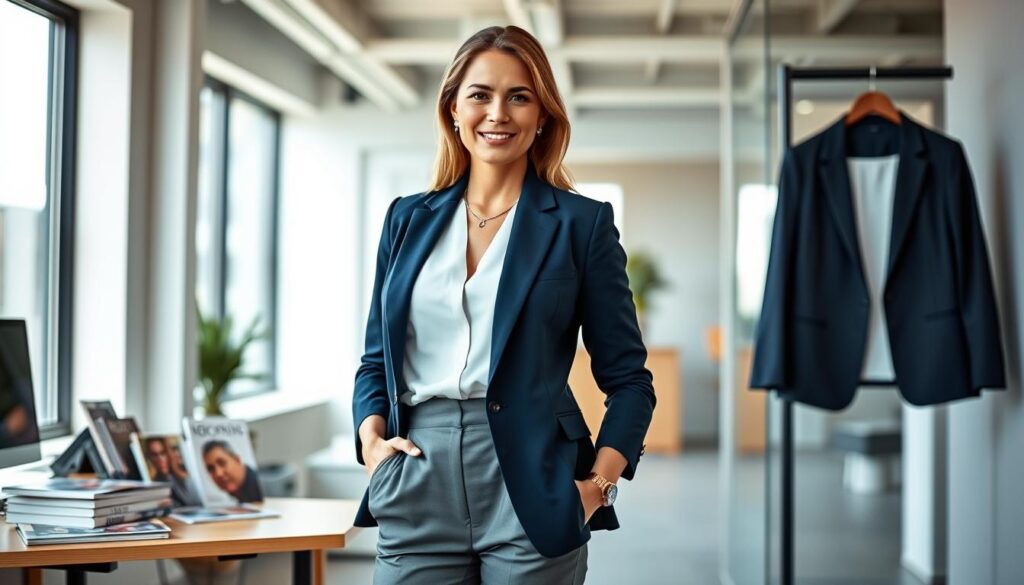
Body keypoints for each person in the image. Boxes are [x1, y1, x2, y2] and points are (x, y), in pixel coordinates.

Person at [352, 25, 656, 584]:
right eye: (480, 95)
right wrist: (372, 445)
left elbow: (631, 381)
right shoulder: (405, 219)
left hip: (533, 481)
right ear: (452, 110)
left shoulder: (581, 225)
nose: (498, 113)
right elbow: (377, 360)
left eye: (519, 96)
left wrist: (597, 488)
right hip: (417, 474)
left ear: (542, 116)